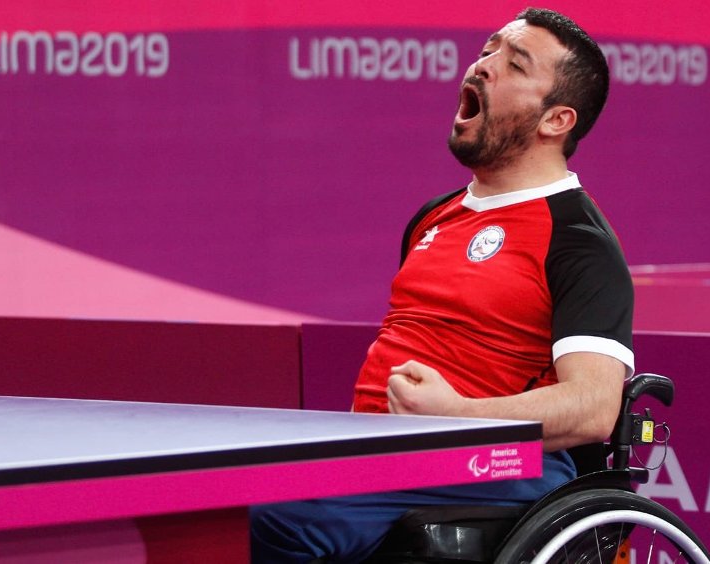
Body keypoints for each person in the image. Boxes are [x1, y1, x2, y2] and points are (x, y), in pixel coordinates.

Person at [251, 7, 633, 562]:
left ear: (556, 120)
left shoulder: (578, 240)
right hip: (388, 449)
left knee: (274, 513)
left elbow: (594, 406)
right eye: (488, 50)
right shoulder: (435, 217)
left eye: (514, 64)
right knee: (220, 493)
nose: (483, 67)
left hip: (497, 460)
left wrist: (455, 413)